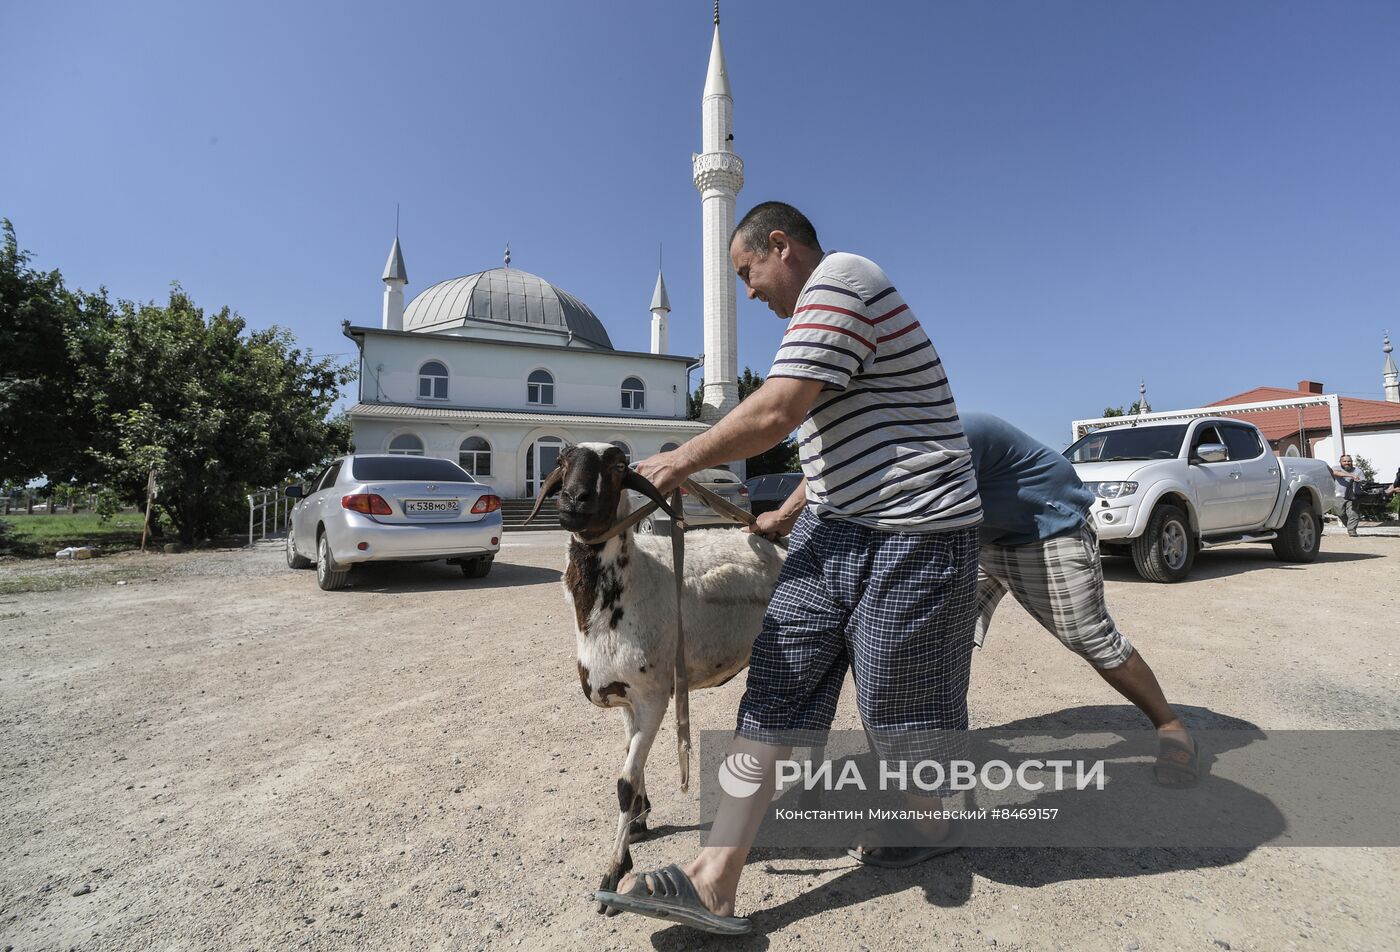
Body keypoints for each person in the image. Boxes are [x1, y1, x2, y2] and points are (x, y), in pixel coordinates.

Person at [597, 202, 983, 934]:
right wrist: (791, 509)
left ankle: (933, 821)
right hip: (832, 530)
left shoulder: (842, 280)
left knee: (898, 710)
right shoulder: (815, 325)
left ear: (781, 246)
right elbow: (836, 438)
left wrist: (681, 459)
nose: (747, 293)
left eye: (748, 273)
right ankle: (714, 879)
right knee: (776, 678)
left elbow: (776, 413)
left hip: (916, 528)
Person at [960, 412, 1196, 783]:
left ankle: (1171, 726)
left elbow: (930, 520)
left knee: (1089, 635)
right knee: (945, 636)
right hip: (982, 537)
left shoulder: (949, 437)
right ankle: (947, 734)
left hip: (1045, 527)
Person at [1330, 454, 1364, 536]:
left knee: (1353, 513)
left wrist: (1358, 481)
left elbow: (1363, 482)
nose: (1347, 463)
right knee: (1340, 513)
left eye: (1349, 461)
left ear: (1352, 462)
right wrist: (1350, 475)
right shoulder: (1336, 468)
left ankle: (1352, 531)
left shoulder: (1358, 471)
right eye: (1344, 461)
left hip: (1352, 496)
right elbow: (1334, 473)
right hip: (1338, 495)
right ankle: (1349, 526)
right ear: (1340, 462)